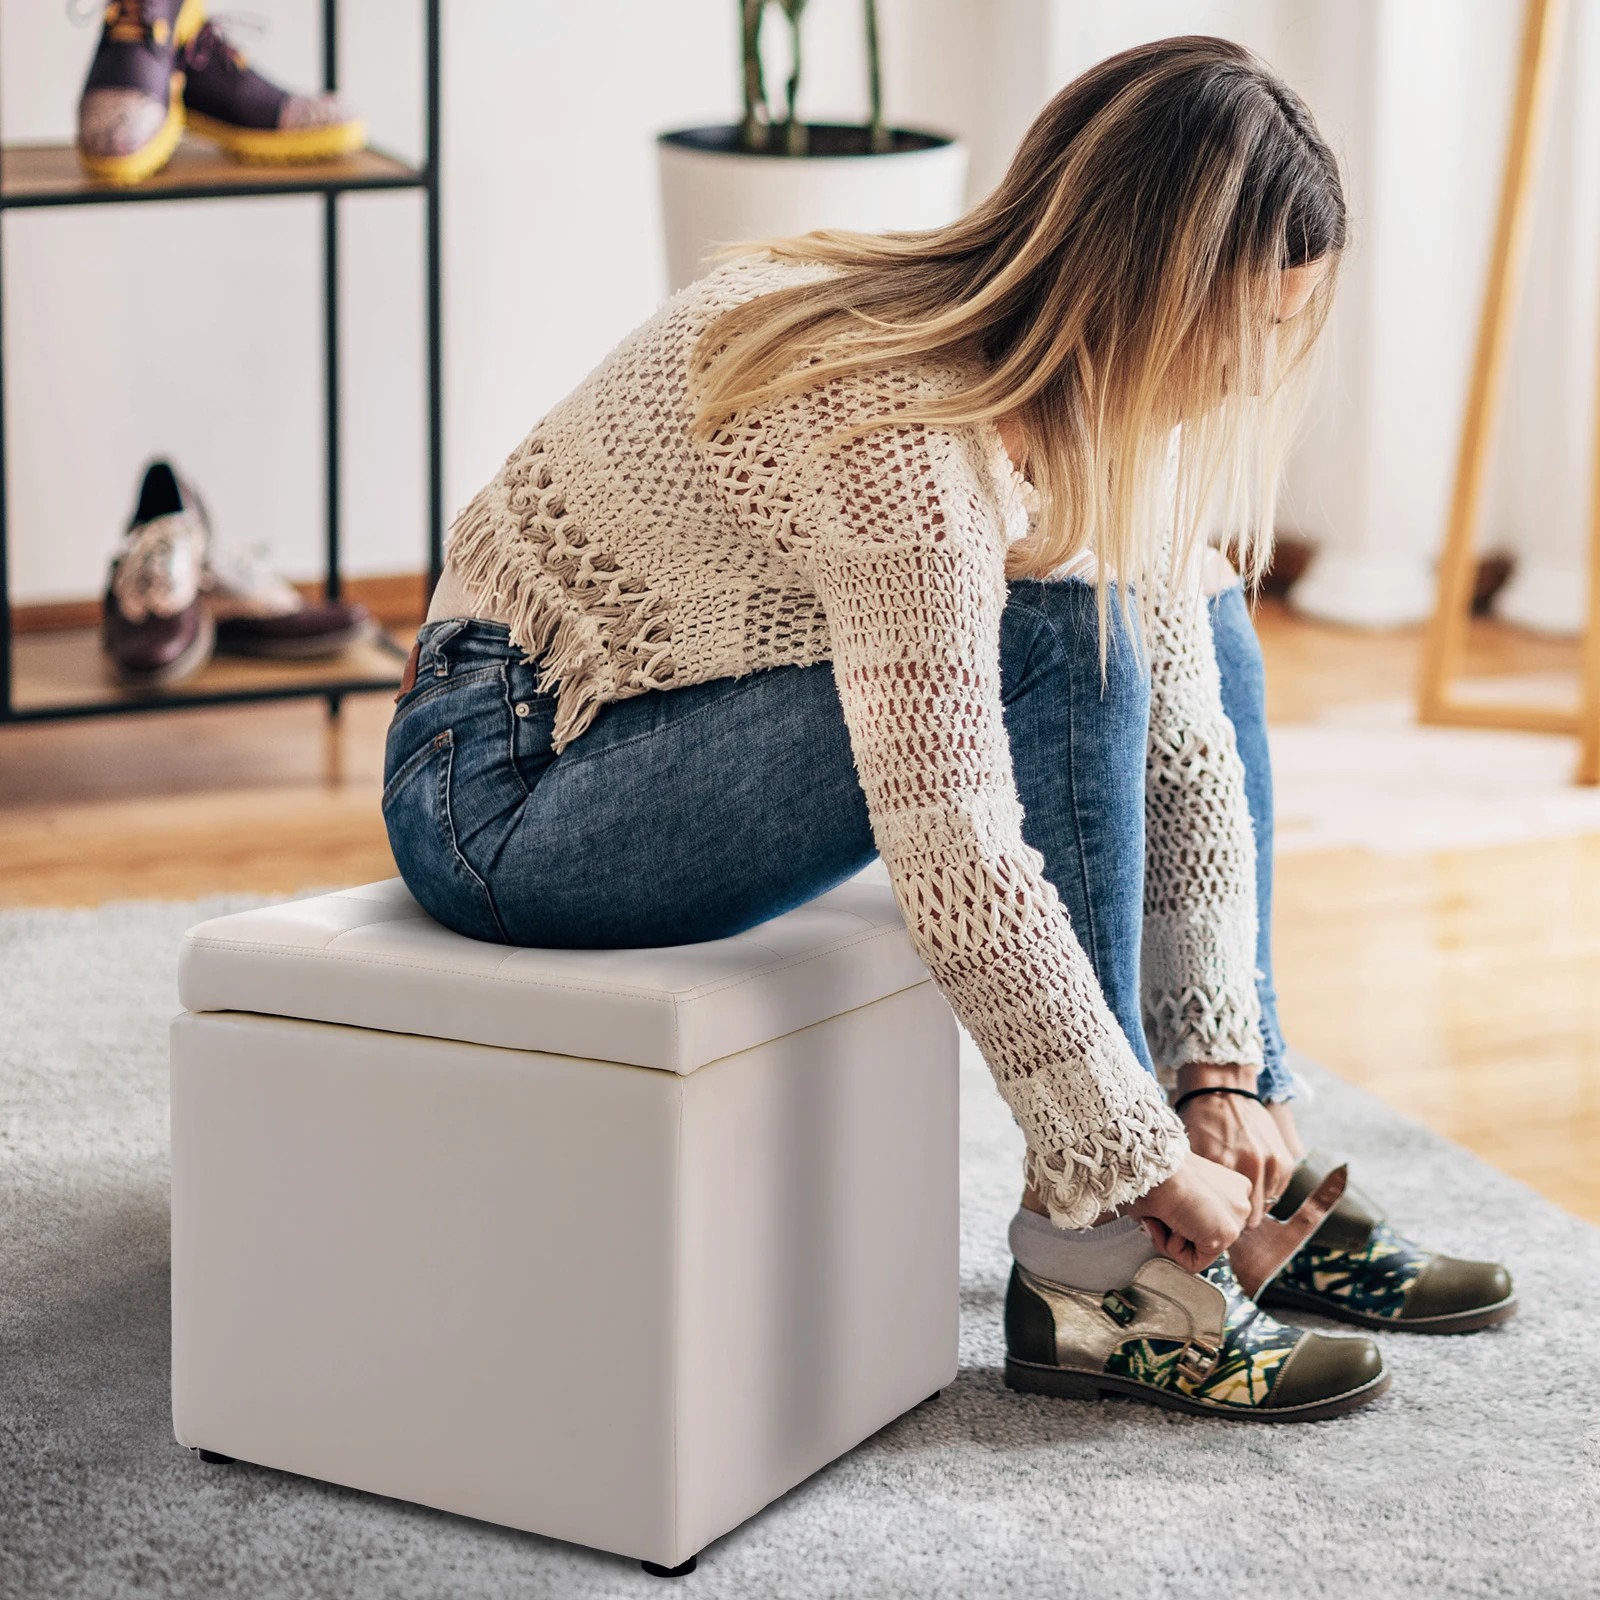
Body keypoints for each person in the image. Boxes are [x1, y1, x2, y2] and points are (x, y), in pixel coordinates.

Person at [385, 35, 1515, 1423]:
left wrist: (1221, 1071)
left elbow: (1190, 741)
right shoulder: (895, 429)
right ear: (1148, 293)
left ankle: (1253, 1165)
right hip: (509, 788)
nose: (1251, 371)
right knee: (1053, 637)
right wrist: (1126, 1152)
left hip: (667, 734)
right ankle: (1103, 1262)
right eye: (1249, 329)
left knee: (1198, 621)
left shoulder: (1091, 384)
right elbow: (956, 847)